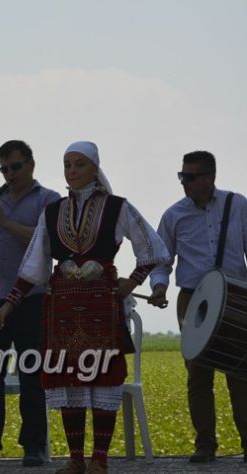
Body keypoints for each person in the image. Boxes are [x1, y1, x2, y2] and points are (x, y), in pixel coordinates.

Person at [0, 141, 169, 474]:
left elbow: (153, 249)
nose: (72, 172)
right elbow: (33, 266)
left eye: (79, 165)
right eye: (67, 165)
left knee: (102, 378)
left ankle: (100, 459)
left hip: (102, 308)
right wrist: (7, 306)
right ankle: (76, 459)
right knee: (68, 380)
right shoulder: (53, 212)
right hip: (61, 306)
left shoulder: (118, 207)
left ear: (94, 168)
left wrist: (132, 282)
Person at [148, 150, 247, 463]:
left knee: (241, 373)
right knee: (198, 375)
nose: (184, 183)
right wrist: (159, 286)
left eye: (190, 177)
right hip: (193, 299)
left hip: (236, 296)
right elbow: (161, 261)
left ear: (210, 178)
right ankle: (205, 446)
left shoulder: (238, 205)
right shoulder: (173, 215)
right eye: (182, 176)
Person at [0, 140, 61, 467]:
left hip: (32, 301)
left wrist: (4, 221)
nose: (10, 174)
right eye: (4, 169)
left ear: (31, 164)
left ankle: (34, 446)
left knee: (31, 374)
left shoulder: (49, 200)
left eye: (15, 167)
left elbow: (45, 244)